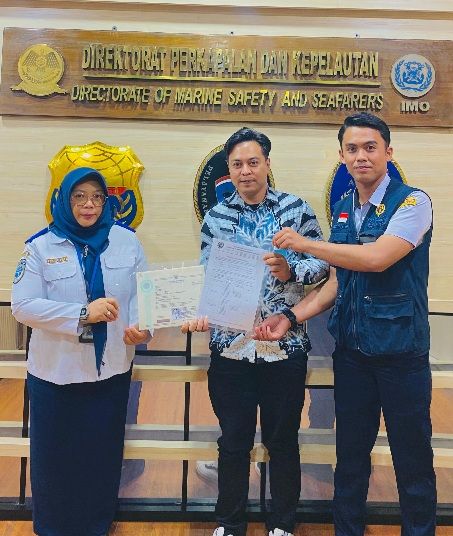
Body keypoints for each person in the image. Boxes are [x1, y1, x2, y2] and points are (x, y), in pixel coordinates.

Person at [254, 112, 437, 536]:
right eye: (352, 149)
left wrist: (305, 244)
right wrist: (289, 317)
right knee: (350, 458)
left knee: (412, 460)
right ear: (341, 156)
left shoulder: (413, 203)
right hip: (352, 353)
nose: (361, 156)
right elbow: (337, 282)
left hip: (401, 353)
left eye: (370, 147)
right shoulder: (341, 210)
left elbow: (376, 259)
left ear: (388, 152)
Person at [183, 127, 329, 536]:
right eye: (237, 165)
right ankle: (230, 524)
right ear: (229, 170)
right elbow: (208, 275)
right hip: (231, 348)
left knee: (283, 440)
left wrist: (291, 269)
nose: (245, 171)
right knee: (233, 441)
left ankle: (282, 524)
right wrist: (198, 311)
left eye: (253, 162)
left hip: (284, 347)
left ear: (267, 164)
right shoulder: (216, 217)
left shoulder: (295, 210)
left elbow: (322, 265)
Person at [11, 167, 150, 536]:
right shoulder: (40, 247)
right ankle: (53, 528)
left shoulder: (126, 242)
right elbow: (22, 306)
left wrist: (142, 326)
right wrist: (82, 314)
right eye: (79, 196)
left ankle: (96, 526)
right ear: (64, 200)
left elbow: (142, 294)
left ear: (106, 201)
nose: (89, 205)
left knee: (101, 458)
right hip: (55, 375)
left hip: (110, 372)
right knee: (54, 461)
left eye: (97, 197)